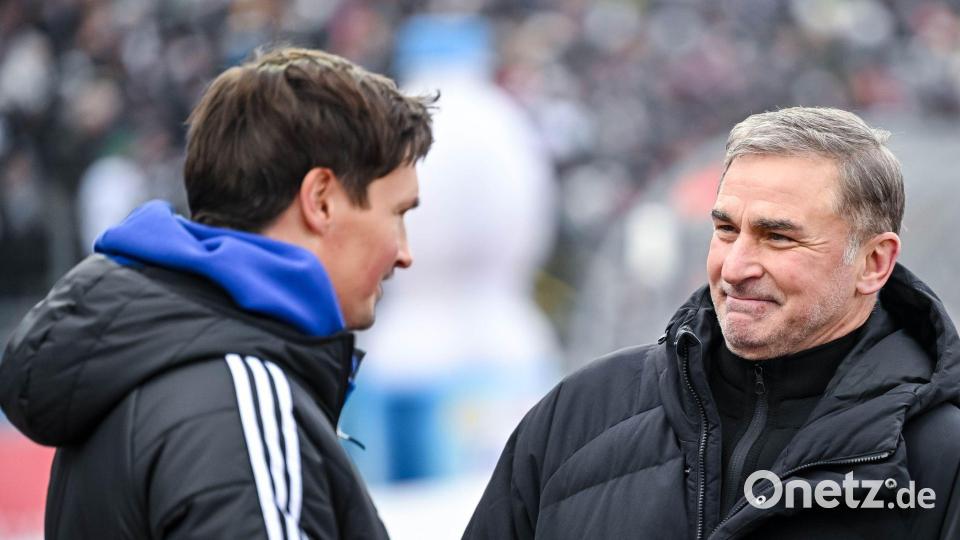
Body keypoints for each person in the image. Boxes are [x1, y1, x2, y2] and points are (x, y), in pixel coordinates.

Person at [464, 107, 960, 539]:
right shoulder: (578, 414)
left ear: (874, 263)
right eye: (726, 229)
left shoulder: (944, 459)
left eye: (777, 237)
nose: (735, 266)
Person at [0, 47, 435, 539]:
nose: (404, 253)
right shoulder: (241, 395)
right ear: (321, 201)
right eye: (398, 213)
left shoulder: (146, 361)